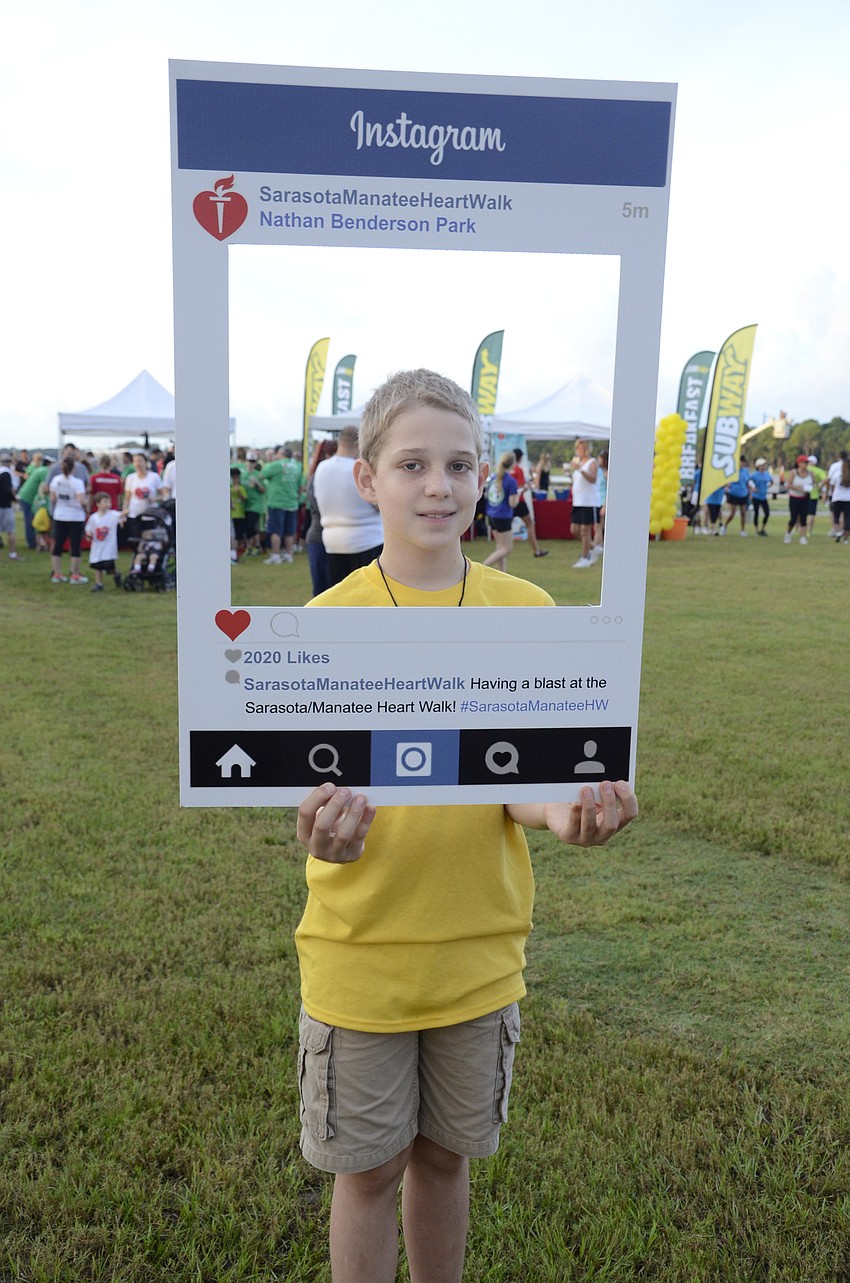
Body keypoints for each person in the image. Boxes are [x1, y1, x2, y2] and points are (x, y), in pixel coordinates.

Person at [295, 369, 638, 1283]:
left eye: (457, 464)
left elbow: (522, 787)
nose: (436, 485)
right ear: (366, 478)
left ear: (485, 474)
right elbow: (310, 800)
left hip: (480, 950)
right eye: (412, 464)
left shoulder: (526, 611)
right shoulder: (324, 626)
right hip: (361, 949)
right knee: (367, 1170)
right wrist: (322, 833)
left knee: (446, 1158)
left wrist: (570, 811)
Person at [313, 425, 383, 585]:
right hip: (367, 540)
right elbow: (376, 503)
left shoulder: (321, 468)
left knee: (341, 596)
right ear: (359, 444)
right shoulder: (357, 470)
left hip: (333, 542)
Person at [48, 456, 89, 583]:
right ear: (74, 468)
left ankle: (57, 573)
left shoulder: (56, 480)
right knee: (75, 545)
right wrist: (87, 505)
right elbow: (81, 500)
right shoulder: (77, 482)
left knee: (58, 545)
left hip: (60, 515)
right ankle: (75, 574)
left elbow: (52, 499)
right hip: (75, 516)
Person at [304, 439, 337, 596]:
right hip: (320, 536)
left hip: (328, 537)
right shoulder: (318, 476)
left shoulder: (317, 475)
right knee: (322, 591)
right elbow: (317, 506)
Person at [261, 446, 303, 564]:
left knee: (276, 530)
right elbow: (300, 487)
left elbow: (262, 475)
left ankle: (275, 555)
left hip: (277, 502)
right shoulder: (296, 467)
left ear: (282, 453)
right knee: (289, 531)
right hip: (292, 502)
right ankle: (288, 554)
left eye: (278, 453)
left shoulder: (276, 465)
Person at [482, 450, 519, 571]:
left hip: (492, 515)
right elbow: (512, 503)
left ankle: (502, 573)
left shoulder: (493, 477)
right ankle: (483, 566)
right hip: (503, 516)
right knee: (506, 548)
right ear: (513, 463)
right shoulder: (511, 481)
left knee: (500, 547)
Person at [509, 448, 548, 557]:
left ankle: (503, 549)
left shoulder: (509, 470)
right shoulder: (518, 470)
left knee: (506, 527)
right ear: (520, 458)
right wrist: (528, 485)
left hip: (509, 502)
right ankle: (536, 550)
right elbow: (520, 487)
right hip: (519, 501)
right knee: (529, 524)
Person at [569, 438, 601, 567]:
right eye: (578, 448)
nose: (579, 451)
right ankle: (593, 547)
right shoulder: (578, 462)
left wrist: (581, 469)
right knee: (574, 530)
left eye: (582, 448)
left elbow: (592, 479)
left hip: (589, 501)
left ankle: (584, 558)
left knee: (585, 530)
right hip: (578, 501)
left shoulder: (592, 463)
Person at [121, 452, 162, 549]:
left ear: (146, 462)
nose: (137, 464)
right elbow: (127, 497)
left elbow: (163, 494)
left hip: (150, 514)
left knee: (149, 541)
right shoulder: (130, 478)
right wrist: (124, 511)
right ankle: (137, 561)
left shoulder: (154, 477)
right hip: (134, 514)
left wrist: (155, 498)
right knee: (136, 540)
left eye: (140, 461)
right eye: (135, 461)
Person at [85, 492, 124, 590]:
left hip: (108, 547)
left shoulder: (113, 515)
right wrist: (89, 535)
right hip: (97, 546)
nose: (108, 504)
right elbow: (89, 529)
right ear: (98, 504)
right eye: (105, 501)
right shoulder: (94, 518)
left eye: (109, 501)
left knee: (109, 566)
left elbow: (122, 514)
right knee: (97, 566)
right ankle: (99, 584)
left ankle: (116, 574)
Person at [784, 455, 813, 544]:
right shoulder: (793, 473)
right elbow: (788, 485)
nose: (806, 465)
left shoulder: (810, 473)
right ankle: (788, 533)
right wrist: (799, 489)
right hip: (794, 497)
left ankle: (803, 536)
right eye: (804, 463)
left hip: (805, 498)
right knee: (793, 518)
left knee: (803, 517)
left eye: (807, 463)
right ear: (799, 463)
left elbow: (814, 483)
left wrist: (811, 488)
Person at [0, 451, 23, 560]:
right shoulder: (7, 474)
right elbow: (7, 490)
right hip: (4, 505)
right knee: (11, 531)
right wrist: (15, 499)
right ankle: (12, 553)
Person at [722, 456, 752, 535]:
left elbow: (747, 482)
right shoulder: (733, 470)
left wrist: (749, 492)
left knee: (743, 513)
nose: (742, 464)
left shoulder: (746, 471)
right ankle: (724, 526)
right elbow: (727, 481)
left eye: (743, 462)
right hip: (733, 493)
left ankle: (742, 530)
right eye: (741, 462)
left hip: (743, 494)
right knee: (732, 513)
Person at [827, 451, 850, 543]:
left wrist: (830, 495)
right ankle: (846, 538)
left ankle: (838, 531)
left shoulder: (837, 474)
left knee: (836, 517)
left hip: (837, 498)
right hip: (848, 499)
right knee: (847, 518)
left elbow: (832, 484)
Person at [805, 454, 827, 539]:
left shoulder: (804, 469)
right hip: (814, 494)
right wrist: (819, 486)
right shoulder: (819, 471)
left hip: (802, 493)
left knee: (801, 512)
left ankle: (798, 529)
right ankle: (809, 531)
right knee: (811, 514)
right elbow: (825, 479)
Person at [750, 458, 772, 535]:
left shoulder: (767, 474)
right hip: (756, 497)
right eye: (761, 465)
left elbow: (771, 482)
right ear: (758, 466)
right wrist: (752, 488)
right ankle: (756, 529)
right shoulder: (754, 475)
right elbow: (749, 481)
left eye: (764, 465)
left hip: (763, 497)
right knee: (756, 513)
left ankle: (762, 528)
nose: (763, 467)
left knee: (767, 513)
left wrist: (766, 487)